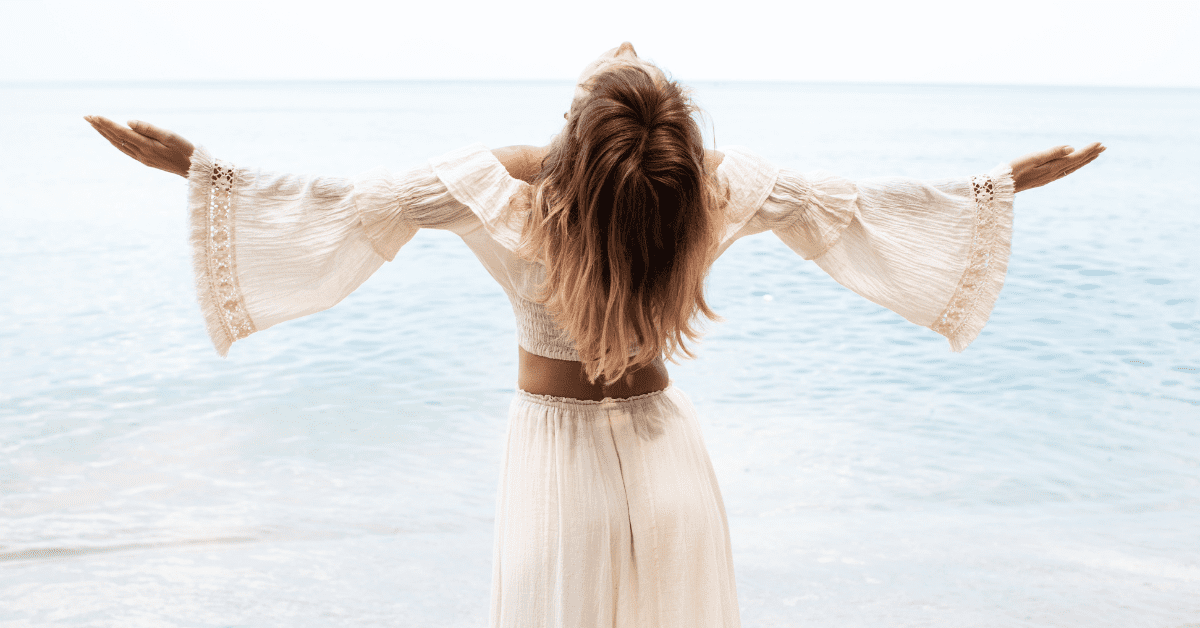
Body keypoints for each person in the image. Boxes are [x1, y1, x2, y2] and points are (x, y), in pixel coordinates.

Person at [86, 42, 1104, 628]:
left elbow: (345, 206)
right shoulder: (709, 198)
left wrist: (195, 168)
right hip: (668, 465)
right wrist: (998, 185)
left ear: (570, 141)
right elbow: (864, 208)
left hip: (556, 472)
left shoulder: (504, 199)